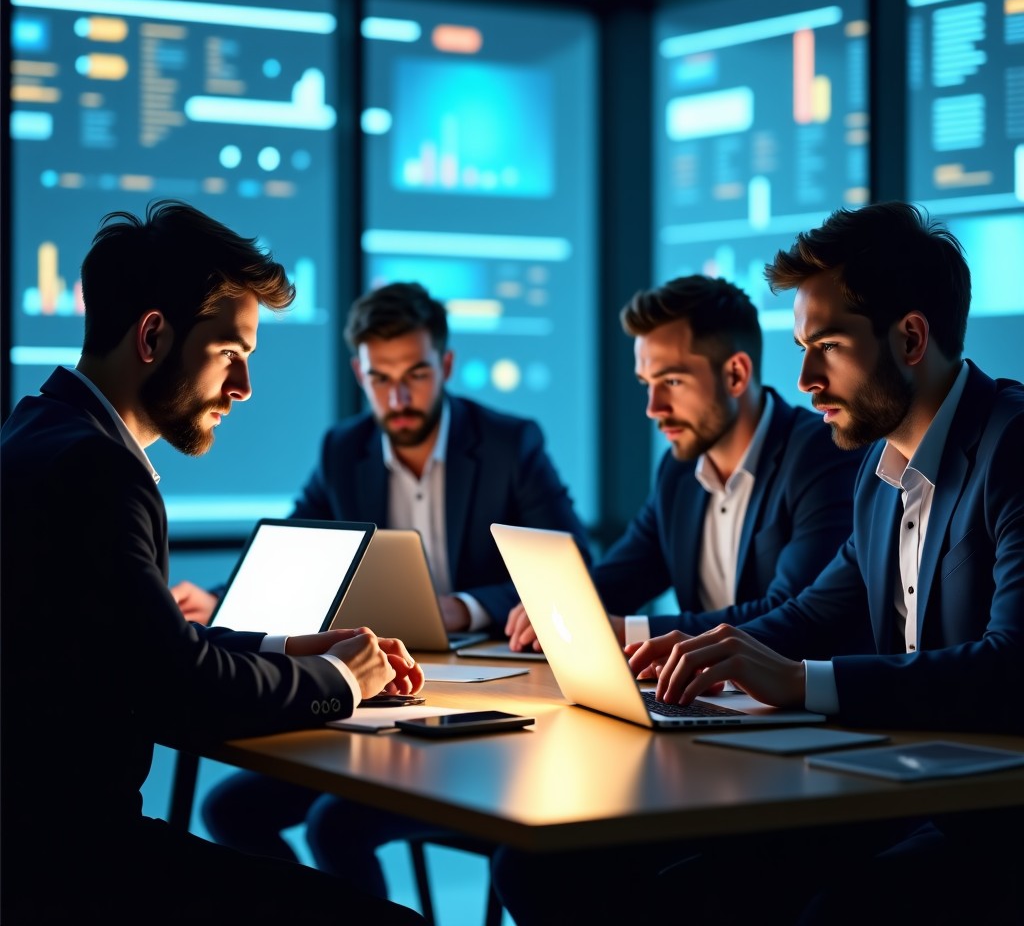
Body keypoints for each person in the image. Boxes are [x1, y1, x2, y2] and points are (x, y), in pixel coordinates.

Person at [493, 201, 1024, 925]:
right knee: (547, 864)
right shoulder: (880, 472)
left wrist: (802, 681)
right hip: (896, 782)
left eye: (827, 345)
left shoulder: (1011, 447)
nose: (805, 377)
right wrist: (701, 651)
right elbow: (812, 611)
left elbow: (1011, 665)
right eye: (802, 346)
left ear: (909, 338)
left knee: (834, 912)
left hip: (988, 816)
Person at [0, 200, 425, 925]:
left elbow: (142, 645)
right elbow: (178, 683)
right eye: (231, 353)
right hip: (74, 868)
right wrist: (340, 681)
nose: (243, 387)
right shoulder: (99, 472)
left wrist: (292, 647)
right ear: (153, 336)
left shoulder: (37, 429)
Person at [193, 280, 590, 897]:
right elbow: (297, 545)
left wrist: (464, 608)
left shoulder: (510, 444)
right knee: (230, 811)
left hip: (486, 697)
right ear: (360, 373)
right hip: (385, 689)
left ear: (446, 365)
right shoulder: (344, 449)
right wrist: (222, 601)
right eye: (380, 379)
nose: (398, 398)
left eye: (416, 375)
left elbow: (573, 561)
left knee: (335, 825)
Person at [504, 274, 862, 653]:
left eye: (672, 382)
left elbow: (791, 614)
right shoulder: (678, 472)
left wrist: (626, 631)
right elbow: (621, 578)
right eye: (647, 384)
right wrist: (558, 606)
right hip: (707, 688)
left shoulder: (821, 454)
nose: (653, 408)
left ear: (736, 375)